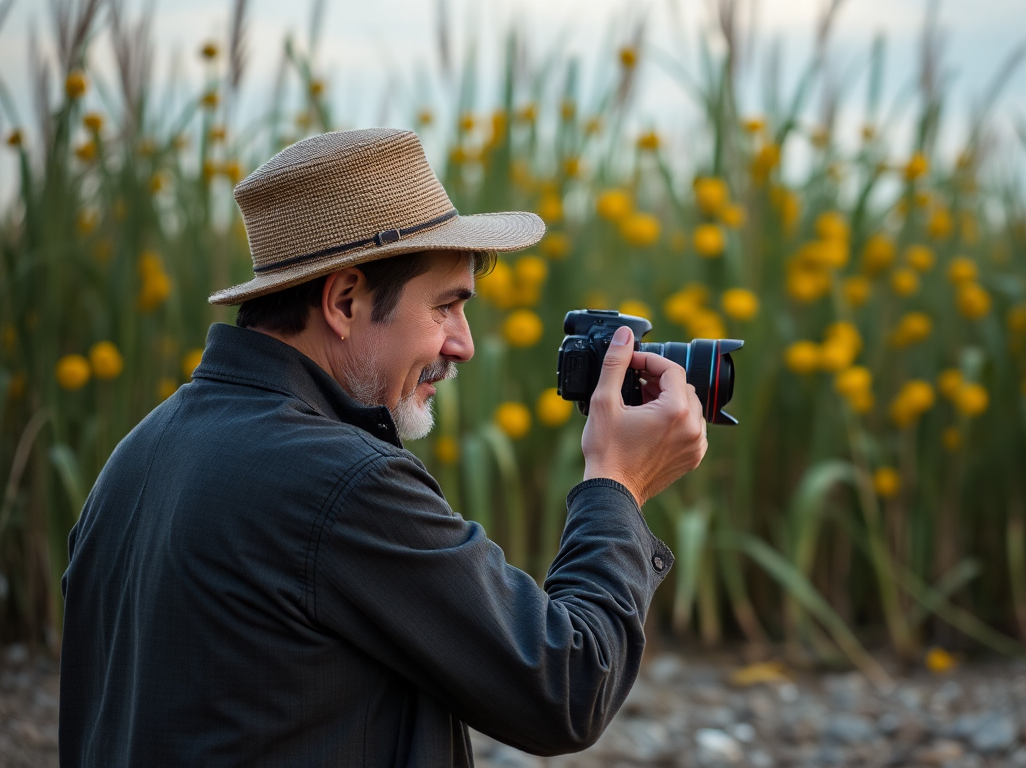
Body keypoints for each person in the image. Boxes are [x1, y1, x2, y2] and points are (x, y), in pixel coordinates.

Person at [58, 128, 708, 767]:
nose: (464, 344)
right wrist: (616, 486)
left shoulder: (138, 456)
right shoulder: (337, 483)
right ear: (344, 300)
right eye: (445, 307)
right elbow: (568, 686)